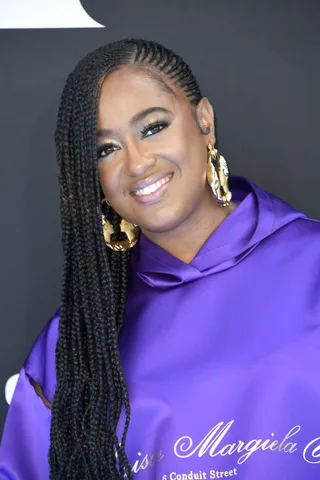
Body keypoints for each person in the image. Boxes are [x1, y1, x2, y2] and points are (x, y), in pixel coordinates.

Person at [0, 38, 320, 480]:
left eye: (152, 128)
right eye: (105, 149)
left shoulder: (312, 263)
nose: (137, 162)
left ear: (204, 122)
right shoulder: (78, 340)